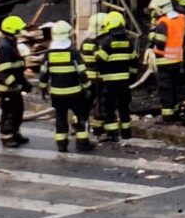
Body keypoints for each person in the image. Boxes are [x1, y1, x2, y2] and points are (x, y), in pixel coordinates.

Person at [39, 20, 93, 153]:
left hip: (57, 94)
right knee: (81, 117)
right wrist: (88, 88)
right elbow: (82, 73)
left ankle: (62, 144)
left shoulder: (48, 54)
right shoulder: (74, 53)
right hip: (75, 93)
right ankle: (82, 144)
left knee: (60, 118)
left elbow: (43, 74)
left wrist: (43, 88)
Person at [95, 10, 136, 141]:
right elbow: (135, 62)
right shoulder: (129, 42)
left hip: (109, 82)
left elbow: (99, 61)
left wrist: (100, 75)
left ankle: (112, 134)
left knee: (109, 107)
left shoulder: (106, 43)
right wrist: (132, 77)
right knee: (124, 107)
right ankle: (126, 132)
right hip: (124, 81)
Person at [148, 0, 185, 123]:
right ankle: (175, 112)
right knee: (174, 88)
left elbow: (160, 41)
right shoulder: (180, 18)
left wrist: (151, 34)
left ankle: (167, 116)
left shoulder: (163, 22)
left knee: (165, 89)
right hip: (177, 59)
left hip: (164, 60)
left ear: (160, 9)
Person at [0, 15, 31, 149]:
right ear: (13, 30)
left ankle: (15, 133)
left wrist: (24, 83)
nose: (21, 32)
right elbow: (4, 71)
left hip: (14, 87)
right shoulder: (5, 47)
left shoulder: (11, 44)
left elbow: (16, 69)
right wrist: (13, 84)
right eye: (19, 30)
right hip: (7, 89)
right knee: (9, 113)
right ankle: (7, 136)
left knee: (18, 111)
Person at [81, 11, 108, 140]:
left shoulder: (85, 42)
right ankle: (98, 128)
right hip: (98, 78)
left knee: (85, 103)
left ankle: (78, 124)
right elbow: (103, 60)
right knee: (99, 103)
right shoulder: (100, 43)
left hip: (86, 78)